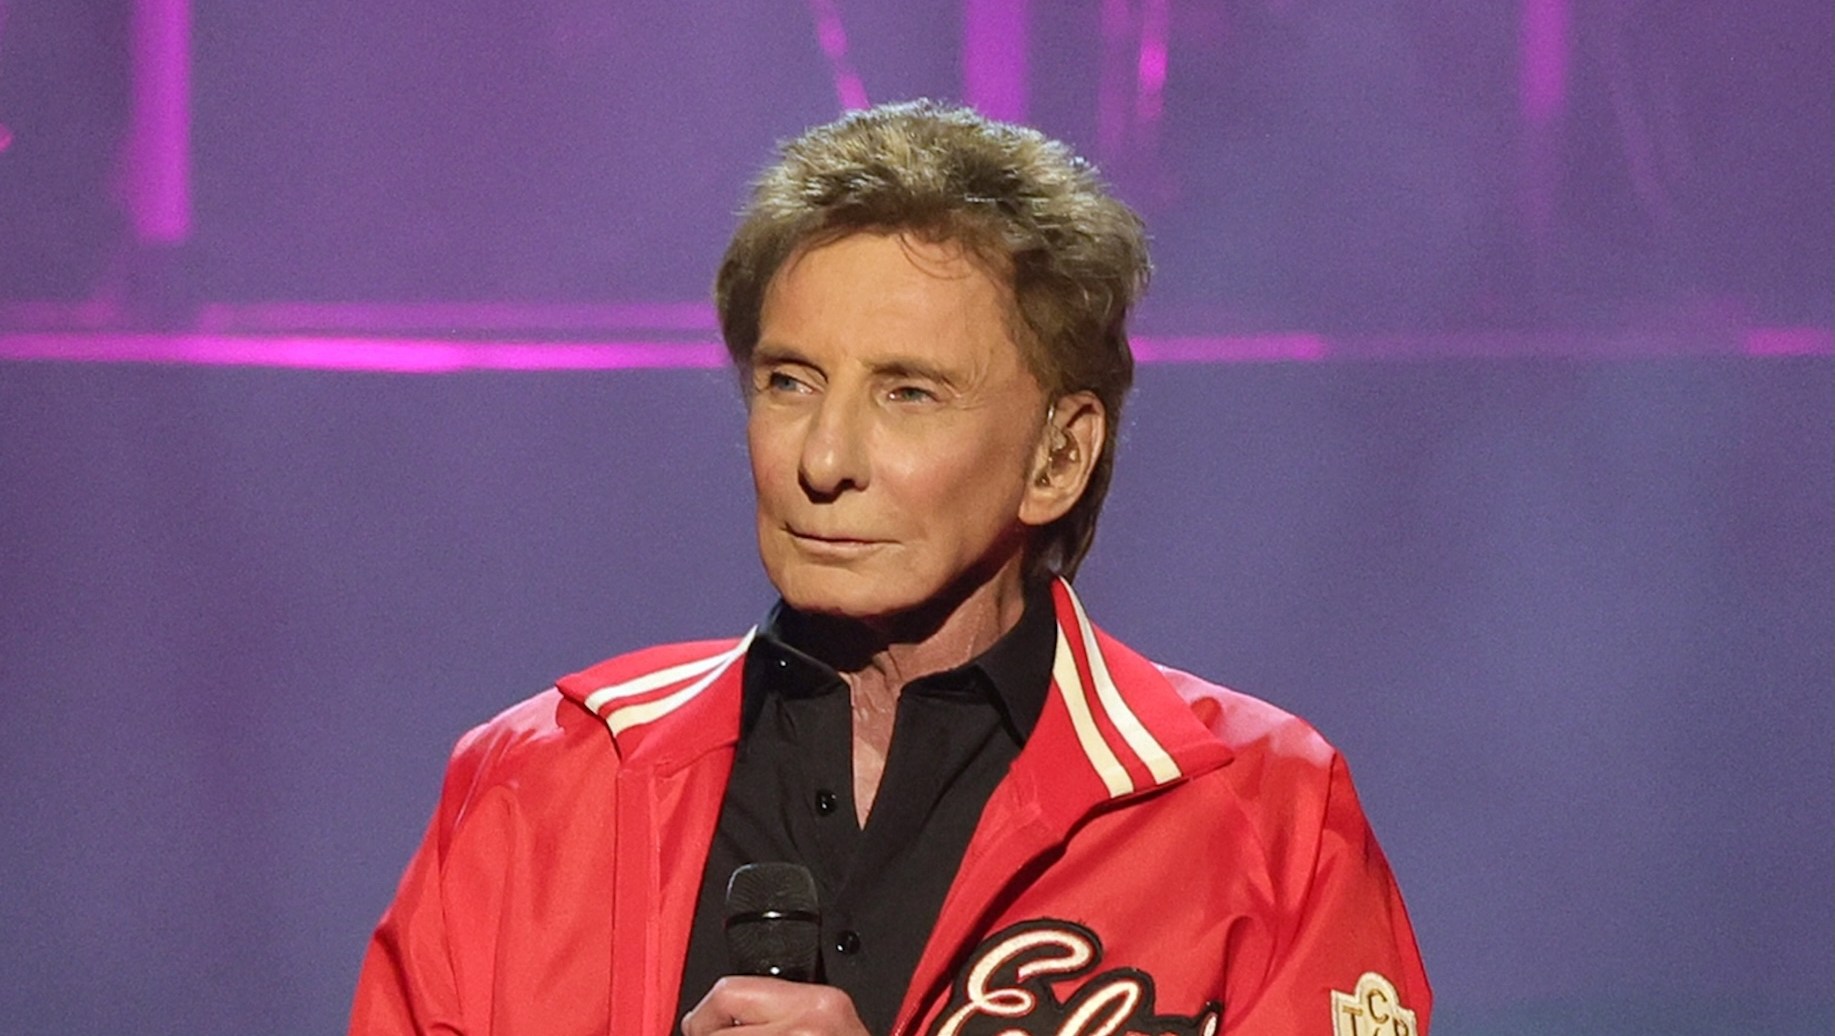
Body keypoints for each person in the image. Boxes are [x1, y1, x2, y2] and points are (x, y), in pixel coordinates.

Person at [351, 101, 1431, 1036]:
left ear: (1057, 456)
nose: (823, 460)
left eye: (907, 393)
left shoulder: (1263, 815)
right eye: (788, 382)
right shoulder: (538, 784)